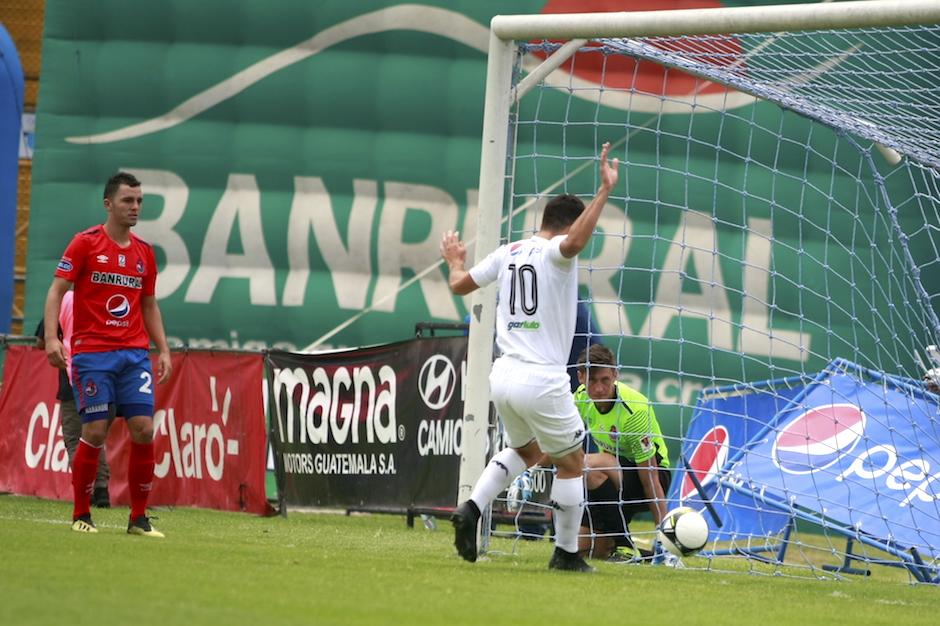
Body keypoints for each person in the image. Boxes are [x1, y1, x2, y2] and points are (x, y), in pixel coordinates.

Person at [440, 142, 619, 572]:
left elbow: (460, 285)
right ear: (567, 225)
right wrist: (604, 191)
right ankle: (567, 553)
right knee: (572, 463)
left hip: (503, 376)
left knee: (526, 451)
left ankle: (471, 508)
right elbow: (575, 241)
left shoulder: (508, 252)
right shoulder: (556, 254)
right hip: (542, 378)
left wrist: (454, 261)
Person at [44, 171, 172, 536]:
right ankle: (81, 514)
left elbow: (148, 304)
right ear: (108, 204)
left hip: (133, 354)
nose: (135, 207)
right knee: (96, 431)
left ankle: (138, 518)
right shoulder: (84, 243)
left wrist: (163, 349)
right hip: (93, 353)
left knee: (144, 429)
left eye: (139, 201)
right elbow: (56, 291)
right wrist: (52, 339)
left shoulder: (144, 253)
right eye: (128, 200)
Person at [573, 343, 671, 561]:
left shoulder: (633, 410)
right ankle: (641, 555)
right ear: (580, 377)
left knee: (586, 464)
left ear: (615, 375)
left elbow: (651, 479)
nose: (599, 388)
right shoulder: (580, 398)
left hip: (650, 478)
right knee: (588, 552)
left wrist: (663, 535)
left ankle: (626, 544)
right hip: (606, 482)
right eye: (592, 381)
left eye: (605, 380)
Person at [34, 290, 112, 508]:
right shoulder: (103, 299)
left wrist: (56, 339)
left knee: (75, 439)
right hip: (104, 380)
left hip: (73, 380)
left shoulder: (62, 301)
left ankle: (86, 490)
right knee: (94, 436)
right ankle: (101, 489)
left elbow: (41, 341)